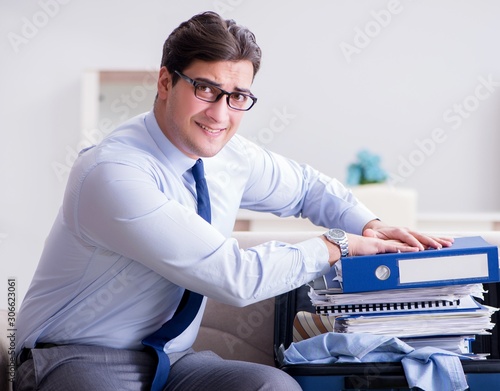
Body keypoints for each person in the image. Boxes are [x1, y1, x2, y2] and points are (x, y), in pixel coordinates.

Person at [14, 11, 452, 391]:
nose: (220, 114)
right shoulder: (113, 174)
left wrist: (367, 224)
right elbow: (232, 277)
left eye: (238, 97)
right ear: (166, 81)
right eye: (205, 89)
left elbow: (305, 187)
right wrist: (337, 244)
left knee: (271, 387)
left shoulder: (230, 157)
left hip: (173, 361)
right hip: (80, 356)